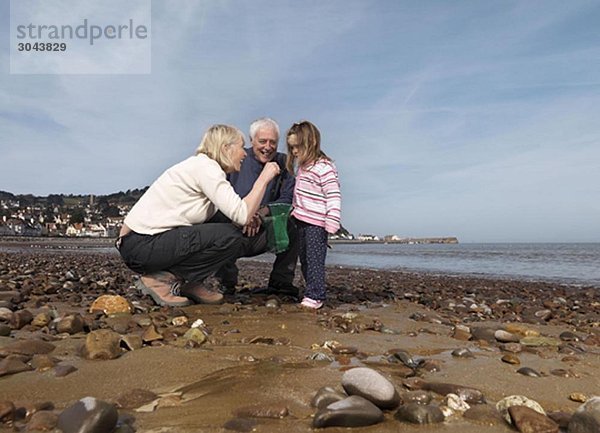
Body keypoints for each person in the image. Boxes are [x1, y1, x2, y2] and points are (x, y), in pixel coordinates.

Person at [116, 124, 281, 307]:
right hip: (143, 246)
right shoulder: (207, 168)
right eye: (241, 147)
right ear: (226, 148)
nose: (244, 154)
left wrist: (249, 217)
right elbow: (241, 214)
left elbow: (235, 215)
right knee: (230, 237)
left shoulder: (201, 166)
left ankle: (191, 283)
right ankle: (162, 280)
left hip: (140, 245)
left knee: (226, 224)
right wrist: (264, 178)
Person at [215, 117, 299, 297]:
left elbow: (288, 198)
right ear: (251, 140)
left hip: (263, 230)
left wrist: (261, 212)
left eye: (273, 142)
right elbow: (218, 195)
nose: (267, 147)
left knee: (296, 224)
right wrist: (243, 215)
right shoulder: (236, 159)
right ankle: (226, 282)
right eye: (262, 141)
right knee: (215, 223)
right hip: (233, 228)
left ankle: (280, 282)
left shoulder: (284, 163)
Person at [286, 121, 341, 309]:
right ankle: (311, 289)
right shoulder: (302, 167)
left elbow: (333, 194)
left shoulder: (324, 167)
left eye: (298, 147)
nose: (294, 151)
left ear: (311, 142)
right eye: (291, 147)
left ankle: (316, 295)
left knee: (315, 260)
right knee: (305, 258)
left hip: (317, 223)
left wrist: (332, 220)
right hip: (301, 220)